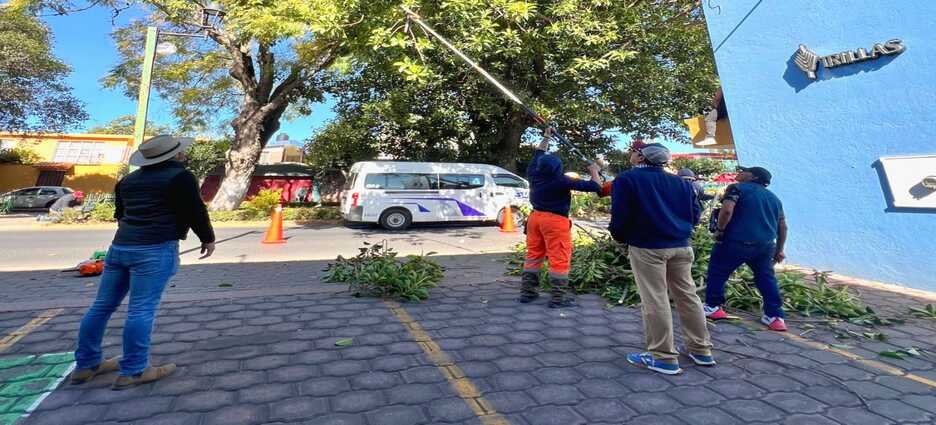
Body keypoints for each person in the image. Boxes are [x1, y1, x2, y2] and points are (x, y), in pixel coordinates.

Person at [70, 135, 216, 390]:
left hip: (119, 247)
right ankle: (135, 370)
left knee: (101, 306)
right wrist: (207, 238)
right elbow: (195, 210)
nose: (183, 155)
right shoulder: (180, 177)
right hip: (155, 249)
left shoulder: (128, 180)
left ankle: (86, 365)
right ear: (175, 155)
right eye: (180, 152)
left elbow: (120, 215)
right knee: (141, 309)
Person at [609, 141, 714, 375]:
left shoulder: (627, 180)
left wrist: (619, 238)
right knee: (688, 297)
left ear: (640, 157)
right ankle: (701, 350)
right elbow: (695, 217)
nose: (632, 155)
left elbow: (620, 217)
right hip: (681, 247)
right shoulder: (682, 183)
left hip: (648, 247)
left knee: (655, 299)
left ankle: (663, 356)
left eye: (634, 152)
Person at [520, 127, 603, 308]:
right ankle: (558, 298)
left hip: (534, 219)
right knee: (559, 257)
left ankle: (527, 293)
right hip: (555, 222)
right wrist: (594, 170)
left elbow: (539, 153)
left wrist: (546, 136)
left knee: (534, 255)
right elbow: (596, 187)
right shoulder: (562, 180)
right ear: (558, 168)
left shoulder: (534, 172)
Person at [704, 166, 788, 331]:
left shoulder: (736, 189)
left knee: (718, 271)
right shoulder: (774, 199)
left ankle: (713, 307)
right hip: (765, 246)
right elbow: (783, 226)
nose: (740, 173)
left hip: (736, 241)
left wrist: (720, 231)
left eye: (744, 171)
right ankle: (775, 317)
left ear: (753, 177)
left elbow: (727, 210)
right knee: (766, 278)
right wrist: (779, 249)